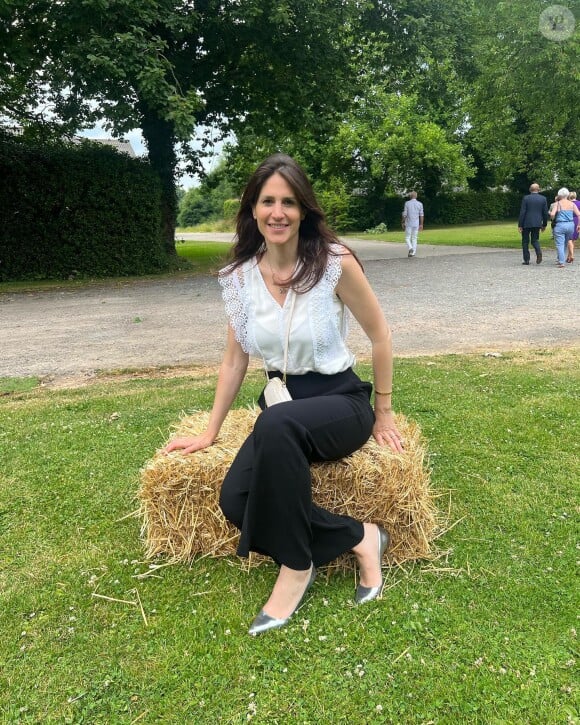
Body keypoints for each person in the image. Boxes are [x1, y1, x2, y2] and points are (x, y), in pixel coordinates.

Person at [164, 153, 404, 635]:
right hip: (282, 405)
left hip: (340, 401)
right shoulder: (237, 278)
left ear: (303, 211)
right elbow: (235, 361)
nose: (278, 212)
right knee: (235, 501)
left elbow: (381, 336)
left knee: (275, 424)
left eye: (288, 202)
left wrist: (383, 413)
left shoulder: (335, 264)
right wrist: (209, 431)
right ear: (252, 209)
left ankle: (296, 567)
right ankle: (361, 536)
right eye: (267, 201)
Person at [518, 183, 548, 265]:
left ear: (530, 189)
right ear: (539, 189)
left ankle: (526, 260)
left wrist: (520, 224)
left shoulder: (526, 198)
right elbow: (545, 213)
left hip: (526, 222)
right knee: (535, 240)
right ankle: (538, 252)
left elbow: (522, 212)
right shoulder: (543, 199)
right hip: (537, 222)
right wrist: (544, 224)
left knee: (525, 241)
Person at [550, 187, 580, 268]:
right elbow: (578, 214)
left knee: (560, 244)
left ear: (559, 195)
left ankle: (561, 262)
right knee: (565, 243)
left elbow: (552, 214)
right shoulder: (572, 204)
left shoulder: (558, 203)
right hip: (570, 225)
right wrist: (578, 225)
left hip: (560, 225)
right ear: (567, 195)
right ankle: (561, 259)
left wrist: (552, 218)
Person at [401, 191, 424, 257]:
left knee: (407, 237)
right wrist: (421, 224)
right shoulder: (420, 204)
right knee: (414, 238)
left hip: (408, 223)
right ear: (416, 196)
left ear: (410, 196)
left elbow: (405, 214)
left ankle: (410, 248)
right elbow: (421, 215)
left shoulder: (407, 203)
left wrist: (402, 222)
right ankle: (413, 253)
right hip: (416, 223)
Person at [567, 191, 579, 263]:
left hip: (570, 220)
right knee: (573, 240)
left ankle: (571, 255)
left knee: (569, 239)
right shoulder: (579, 203)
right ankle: (569, 256)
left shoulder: (568, 203)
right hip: (577, 221)